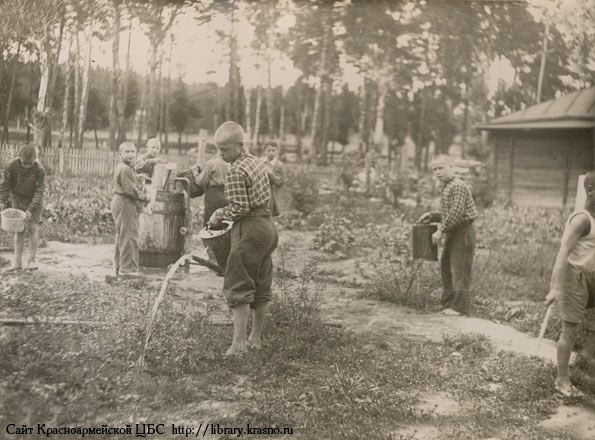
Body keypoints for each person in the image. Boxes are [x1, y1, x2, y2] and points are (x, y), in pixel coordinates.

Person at [209, 121, 278, 356]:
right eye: (218, 149)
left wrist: (219, 214)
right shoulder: (257, 162)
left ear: (239, 145)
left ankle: (238, 345)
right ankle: (255, 339)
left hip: (249, 229)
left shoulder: (236, 170)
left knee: (238, 281)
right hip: (267, 228)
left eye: (225, 149)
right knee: (261, 282)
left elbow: (239, 208)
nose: (220, 154)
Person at [546, 171, 595, 397]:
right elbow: (562, 253)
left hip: (591, 276)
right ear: (591, 190)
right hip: (574, 276)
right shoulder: (582, 219)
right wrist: (555, 287)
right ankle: (562, 379)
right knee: (571, 331)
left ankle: (586, 358)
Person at [418, 154, 477, 316]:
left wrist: (441, 230)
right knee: (446, 266)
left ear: (451, 168)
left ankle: (460, 308)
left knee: (460, 270)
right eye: (434, 169)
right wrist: (433, 216)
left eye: (441, 168)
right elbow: (449, 211)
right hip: (454, 231)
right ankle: (448, 304)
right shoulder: (446, 186)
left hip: (463, 232)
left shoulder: (457, 185)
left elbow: (457, 212)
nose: (437, 172)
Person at [0, 144, 45, 271]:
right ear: (19, 157)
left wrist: (30, 209)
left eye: (30, 163)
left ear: (35, 158)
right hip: (18, 199)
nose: (27, 166)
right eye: (25, 163)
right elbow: (5, 185)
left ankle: (31, 261)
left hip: (34, 200)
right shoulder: (11, 166)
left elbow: (39, 191)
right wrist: (3, 202)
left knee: (33, 229)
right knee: (19, 231)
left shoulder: (39, 170)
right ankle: (17, 263)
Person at [111, 141, 149, 277]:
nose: (131, 154)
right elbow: (130, 190)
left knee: (122, 235)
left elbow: (128, 182)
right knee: (130, 236)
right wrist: (145, 197)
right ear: (120, 154)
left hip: (121, 202)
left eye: (133, 151)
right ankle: (128, 271)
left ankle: (119, 267)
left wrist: (137, 177)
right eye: (127, 152)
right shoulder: (125, 169)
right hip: (125, 203)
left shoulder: (125, 167)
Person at [195, 155, 229, 227]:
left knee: (210, 220)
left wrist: (196, 174)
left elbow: (200, 181)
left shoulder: (211, 163)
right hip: (226, 193)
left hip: (213, 195)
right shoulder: (229, 163)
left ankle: (210, 237)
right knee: (224, 221)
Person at [262, 140, 285, 217]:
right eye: (268, 150)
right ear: (264, 152)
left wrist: (271, 175)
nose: (271, 152)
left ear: (277, 151)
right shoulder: (260, 162)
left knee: (269, 213)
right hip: (260, 191)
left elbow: (280, 182)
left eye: (273, 150)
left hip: (272, 193)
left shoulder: (279, 165)